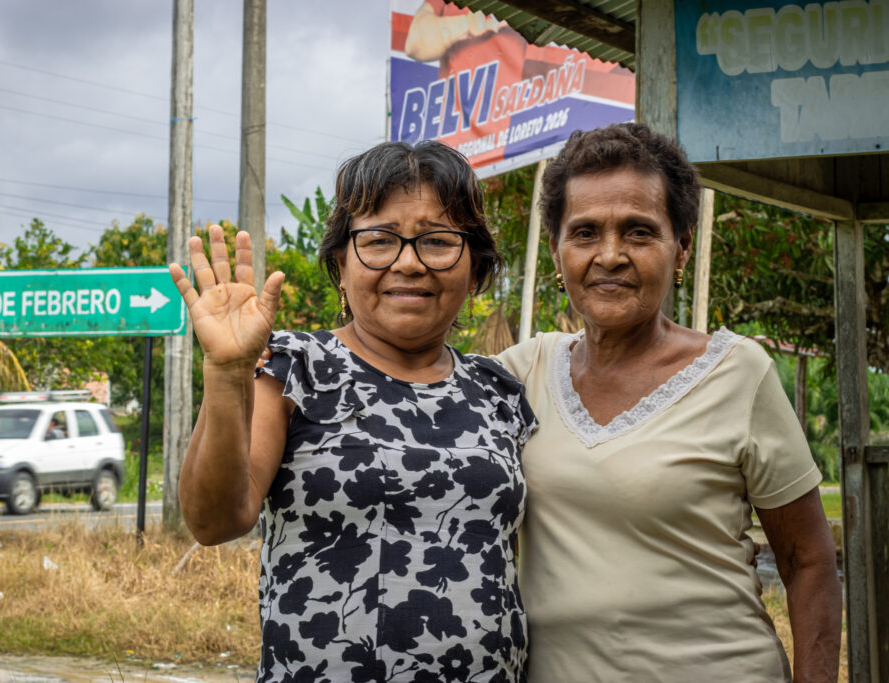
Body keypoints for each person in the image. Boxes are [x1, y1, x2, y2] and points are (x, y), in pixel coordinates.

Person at [169, 140, 537, 681]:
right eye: (379, 241)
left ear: (475, 268)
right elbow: (214, 521)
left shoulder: (500, 391)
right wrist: (226, 372)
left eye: (437, 242)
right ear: (340, 265)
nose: (408, 263)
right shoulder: (294, 369)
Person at [496, 122, 842, 682]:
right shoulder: (519, 374)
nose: (609, 255)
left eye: (638, 232)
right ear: (556, 251)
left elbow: (808, 562)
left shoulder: (737, 373)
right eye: (584, 233)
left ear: (681, 247)